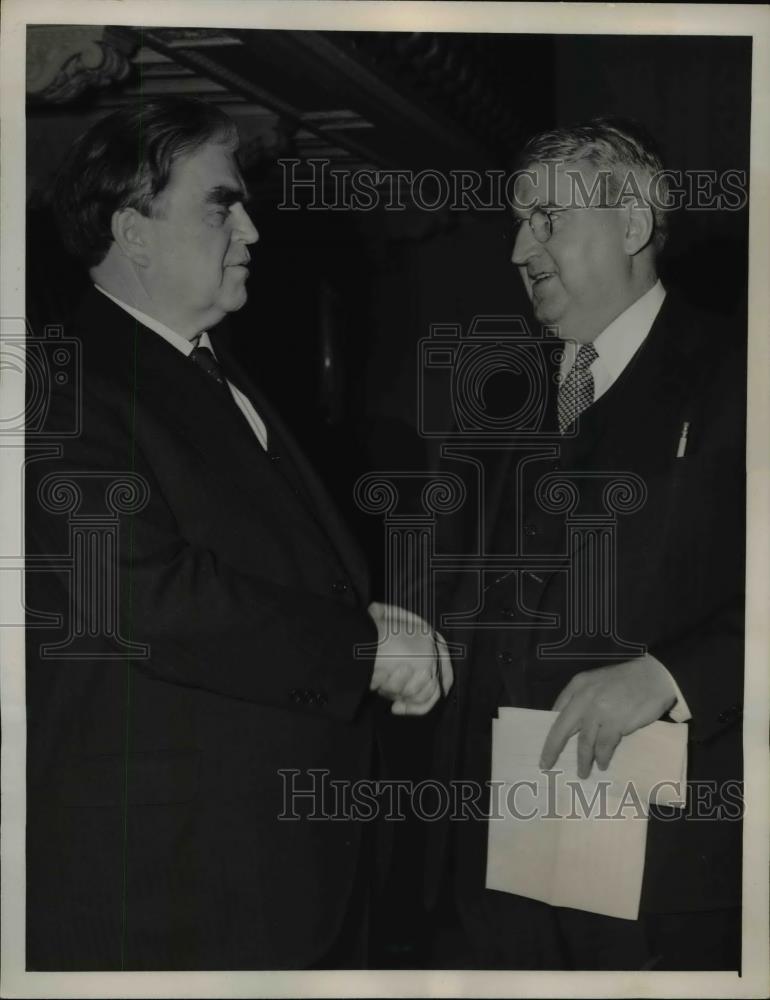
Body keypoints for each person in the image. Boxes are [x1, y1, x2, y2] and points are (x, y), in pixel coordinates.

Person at [24, 96, 451, 971]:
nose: (252, 228)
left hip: (270, 873)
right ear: (133, 231)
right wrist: (360, 651)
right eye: (223, 204)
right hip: (177, 895)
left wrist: (368, 624)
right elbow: (140, 594)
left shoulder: (208, 367)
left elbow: (263, 570)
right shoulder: (64, 386)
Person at [427, 117, 745, 970]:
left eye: (546, 220)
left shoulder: (739, 370)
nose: (517, 249)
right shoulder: (502, 394)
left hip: (670, 866)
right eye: (516, 223)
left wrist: (673, 673)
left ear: (632, 227)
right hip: (506, 855)